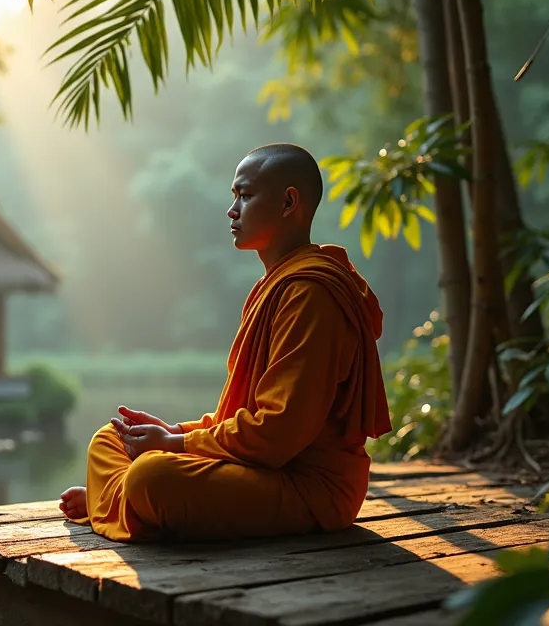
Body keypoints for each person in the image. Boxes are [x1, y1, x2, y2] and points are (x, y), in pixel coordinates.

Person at [57, 142, 392, 543]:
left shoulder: (310, 293)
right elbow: (244, 415)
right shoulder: (276, 286)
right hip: (263, 472)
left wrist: (176, 445)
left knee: (153, 476)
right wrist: (173, 430)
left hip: (308, 488)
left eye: (246, 195)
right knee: (110, 438)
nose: (232, 210)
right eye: (234, 196)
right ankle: (119, 501)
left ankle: (111, 500)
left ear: (288, 203)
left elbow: (276, 434)